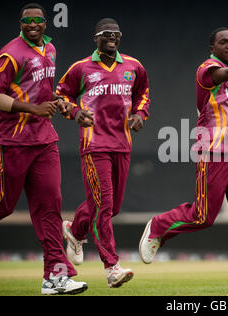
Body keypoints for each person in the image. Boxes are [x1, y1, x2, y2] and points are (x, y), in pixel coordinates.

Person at [139, 27, 228, 296]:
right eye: (223, 42)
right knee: (203, 216)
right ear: (212, 48)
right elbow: (225, 76)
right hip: (214, 150)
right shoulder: (207, 69)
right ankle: (158, 227)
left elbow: (227, 106)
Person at [0, 3, 87, 295]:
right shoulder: (10, 53)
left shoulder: (50, 50)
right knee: (1, 203)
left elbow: (44, 92)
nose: (32, 25)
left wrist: (64, 106)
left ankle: (54, 278)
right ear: (21, 23)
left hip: (44, 139)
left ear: (45, 24)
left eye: (38, 21)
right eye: (26, 21)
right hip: (13, 140)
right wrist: (33, 108)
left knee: (49, 207)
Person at [56, 18, 150, 288]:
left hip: (122, 144)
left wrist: (140, 114)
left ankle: (74, 231)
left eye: (116, 34)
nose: (112, 38)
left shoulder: (134, 66)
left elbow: (143, 93)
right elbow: (61, 95)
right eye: (106, 34)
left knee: (111, 207)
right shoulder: (81, 68)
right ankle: (111, 267)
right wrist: (75, 112)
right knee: (104, 206)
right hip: (94, 144)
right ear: (95, 38)